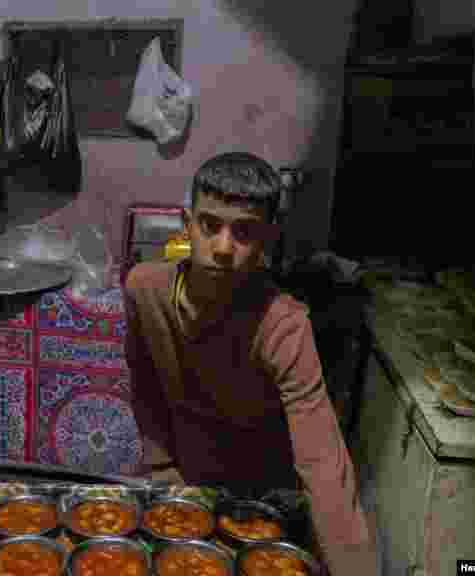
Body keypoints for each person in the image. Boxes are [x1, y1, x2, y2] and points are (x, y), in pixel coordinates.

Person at [124, 152, 376, 574]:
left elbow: (323, 461)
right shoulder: (143, 289)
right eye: (210, 225)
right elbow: (144, 382)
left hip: (263, 498)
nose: (223, 248)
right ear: (187, 224)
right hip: (184, 476)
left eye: (244, 232)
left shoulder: (284, 325)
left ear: (268, 239)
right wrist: (161, 464)